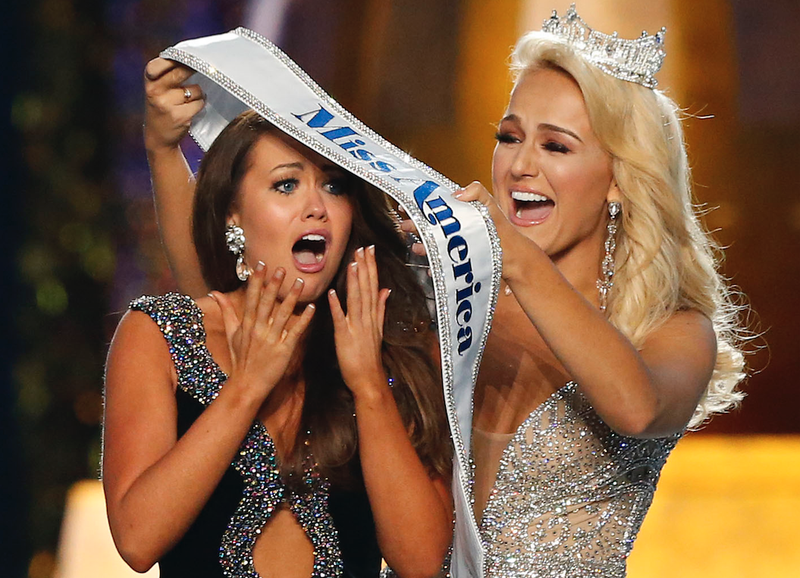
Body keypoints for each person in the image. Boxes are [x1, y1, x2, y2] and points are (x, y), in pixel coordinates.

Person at [142, 7, 749, 576]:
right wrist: (165, 150)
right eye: (510, 137)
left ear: (620, 179)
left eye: (556, 146)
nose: (520, 166)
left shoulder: (671, 331)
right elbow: (229, 304)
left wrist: (516, 259)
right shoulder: (452, 297)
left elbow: (636, 407)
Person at [103, 109, 453, 578]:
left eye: (334, 185)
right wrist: (246, 387)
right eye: (286, 185)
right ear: (233, 211)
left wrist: (369, 384)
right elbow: (136, 540)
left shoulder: (392, 344)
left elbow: (423, 562)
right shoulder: (160, 334)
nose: (317, 207)